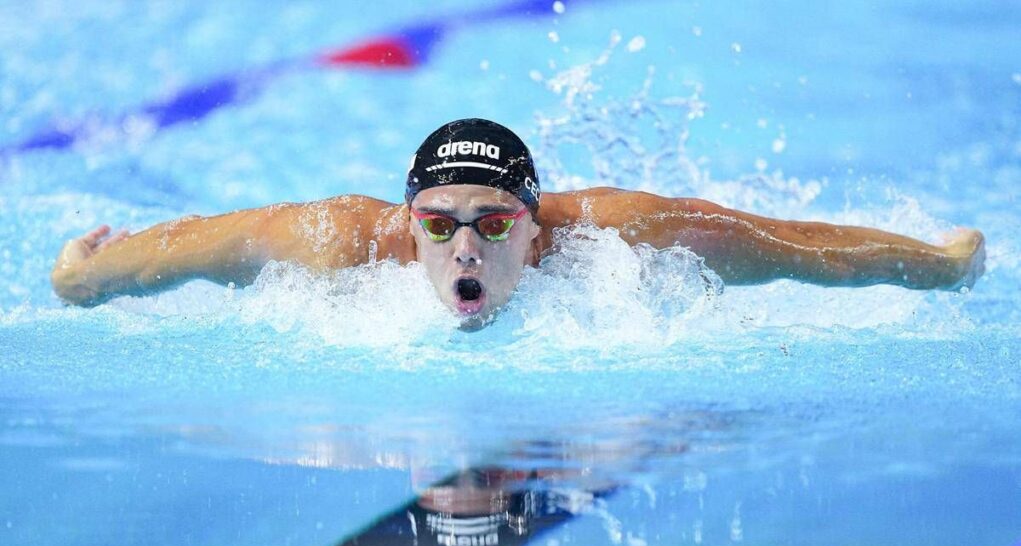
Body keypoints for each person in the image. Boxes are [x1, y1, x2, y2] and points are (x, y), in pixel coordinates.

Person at [51, 118, 986, 329]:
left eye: (494, 225)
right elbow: (184, 249)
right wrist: (82, 277)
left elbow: (806, 251)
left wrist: (941, 264)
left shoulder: (620, 236)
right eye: (439, 225)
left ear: (537, 229)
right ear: (406, 220)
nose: (463, 247)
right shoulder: (334, 242)